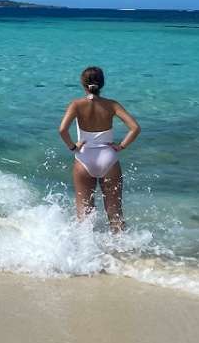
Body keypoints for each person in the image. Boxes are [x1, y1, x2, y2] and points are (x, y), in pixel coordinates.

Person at [57, 66, 140, 231]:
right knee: (115, 213)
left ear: (83, 84)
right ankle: (122, 252)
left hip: (84, 158)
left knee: (84, 214)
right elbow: (135, 128)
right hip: (108, 158)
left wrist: (73, 146)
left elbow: (62, 130)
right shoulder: (112, 105)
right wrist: (121, 146)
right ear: (102, 84)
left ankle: (87, 253)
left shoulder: (76, 105)